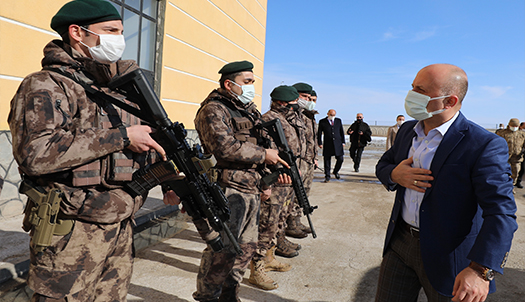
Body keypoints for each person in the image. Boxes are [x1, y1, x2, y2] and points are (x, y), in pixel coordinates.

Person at [7, 0, 178, 300]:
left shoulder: (116, 89)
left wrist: (167, 180)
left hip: (121, 225)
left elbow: (141, 146)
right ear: (77, 32)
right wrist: (122, 137)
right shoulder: (45, 85)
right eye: (110, 30)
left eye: (121, 31)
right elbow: (35, 154)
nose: (119, 39)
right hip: (71, 231)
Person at [375, 63, 518, 302]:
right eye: (412, 87)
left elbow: (501, 212)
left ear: (449, 101)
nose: (410, 96)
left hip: (451, 257)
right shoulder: (408, 130)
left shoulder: (483, 144)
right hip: (400, 244)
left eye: (419, 90)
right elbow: (383, 164)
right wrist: (394, 175)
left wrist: (481, 270)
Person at [192, 60, 289, 302]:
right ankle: (208, 297)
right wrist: (264, 155)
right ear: (229, 83)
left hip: (251, 189)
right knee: (222, 251)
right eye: (247, 82)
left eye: (253, 82)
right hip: (227, 190)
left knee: (245, 249)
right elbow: (224, 149)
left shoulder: (250, 111)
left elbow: (262, 142)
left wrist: (265, 182)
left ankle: (229, 296)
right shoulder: (213, 110)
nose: (252, 87)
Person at [248, 85, 306, 290]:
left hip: (287, 180)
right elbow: (264, 154)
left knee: (278, 222)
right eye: (293, 104)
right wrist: (266, 182)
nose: (296, 107)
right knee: (266, 225)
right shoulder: (267, 121)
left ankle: (270, 257)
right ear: (281, 103)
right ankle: (257, 269)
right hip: (274, 181)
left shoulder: (286, 120)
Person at [280, 82, 317, 239]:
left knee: (303, 193)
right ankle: (290, 225)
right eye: (305, 97)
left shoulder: (308, 115)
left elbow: (310, 140)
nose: (309, 101)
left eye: (311, 98)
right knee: (293, 195)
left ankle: (296, 220)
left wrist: (313, 157)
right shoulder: (290, 115)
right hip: (297, 161)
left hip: (307, 160)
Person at [496, 118, 525, 191]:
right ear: (509, 125)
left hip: (516, 157)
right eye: (513, 126)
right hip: (504, 156)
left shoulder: (522, 134)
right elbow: (496, 143)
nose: (514, 128)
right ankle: (500, 187)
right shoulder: (501, 133)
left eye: (516, 126)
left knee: (515, 173)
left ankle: (510, 188)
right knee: (501, 172)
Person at [317, 109, 345, 182]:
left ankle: (335, 171)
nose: (332, 116)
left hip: (338, 143)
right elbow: (319, 133)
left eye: (333, 115)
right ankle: (327, 176)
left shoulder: (338, 121)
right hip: (328, 144)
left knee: (340, 159)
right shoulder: (322, 121)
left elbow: (341, 131)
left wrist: (343, 142)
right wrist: (319, 143)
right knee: (327, 160)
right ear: (328, 114)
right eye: (331, 115)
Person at [516, 122, 525, 188]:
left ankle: (518, 181)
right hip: (516, 153)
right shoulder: (517, 133)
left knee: (522, 168)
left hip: (522, 153)